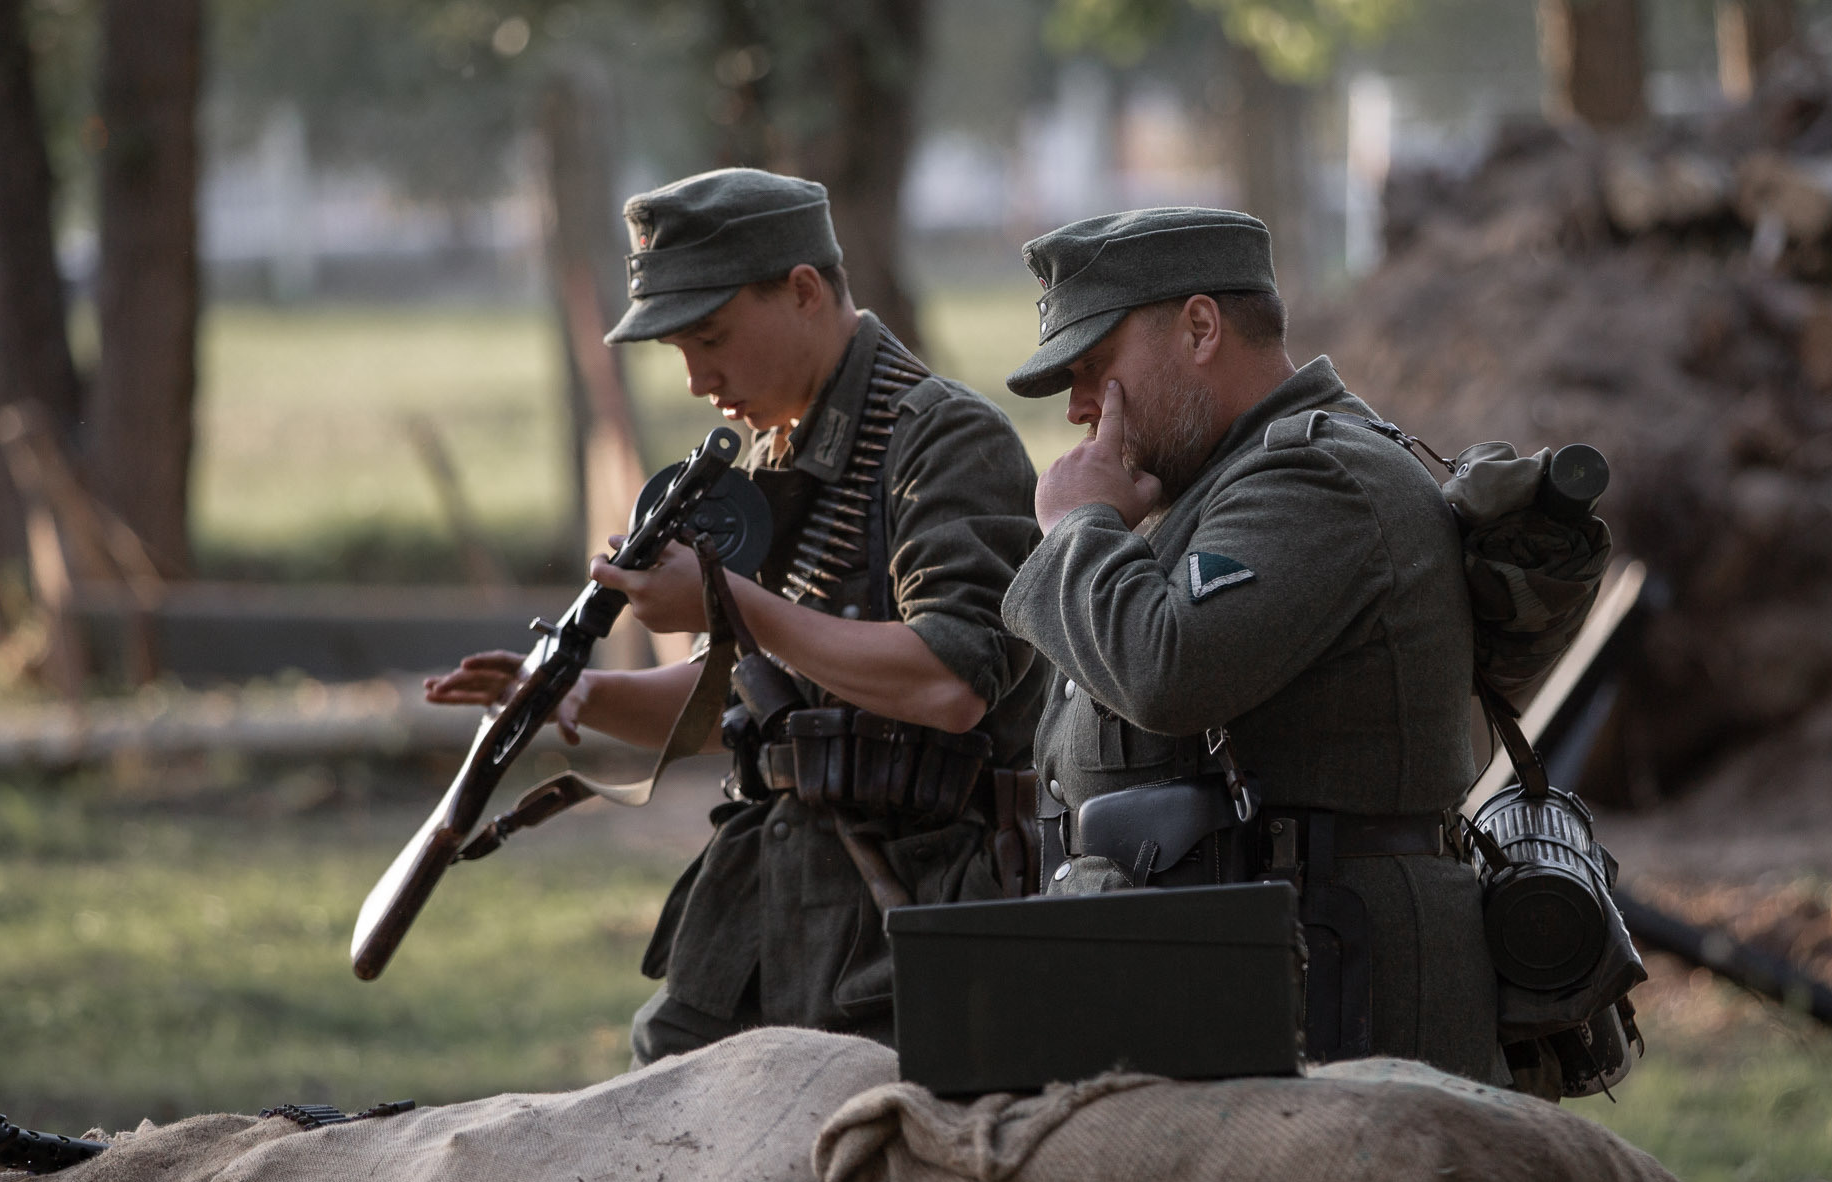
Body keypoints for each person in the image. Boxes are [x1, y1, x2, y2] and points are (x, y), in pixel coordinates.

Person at [426, 168, 1047, 1066]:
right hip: (767, 903)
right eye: (679, 348)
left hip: (919, 911)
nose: (696, 379)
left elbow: (949, 683)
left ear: (803, 291)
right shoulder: (770, 459)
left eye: (711, 337)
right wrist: (577, 695)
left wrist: (726, 599)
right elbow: (740, 697)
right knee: (653, 1111)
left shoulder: (943, 439)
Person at [998, 207, 1505, 1084]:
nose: (1079, 407)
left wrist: (1076, 525)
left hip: (1344, 1022)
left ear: (1201, 328)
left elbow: (1166, 669)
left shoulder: (1320, 476)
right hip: (1260, 999)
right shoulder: (1213, 488)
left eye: (1094, 367)